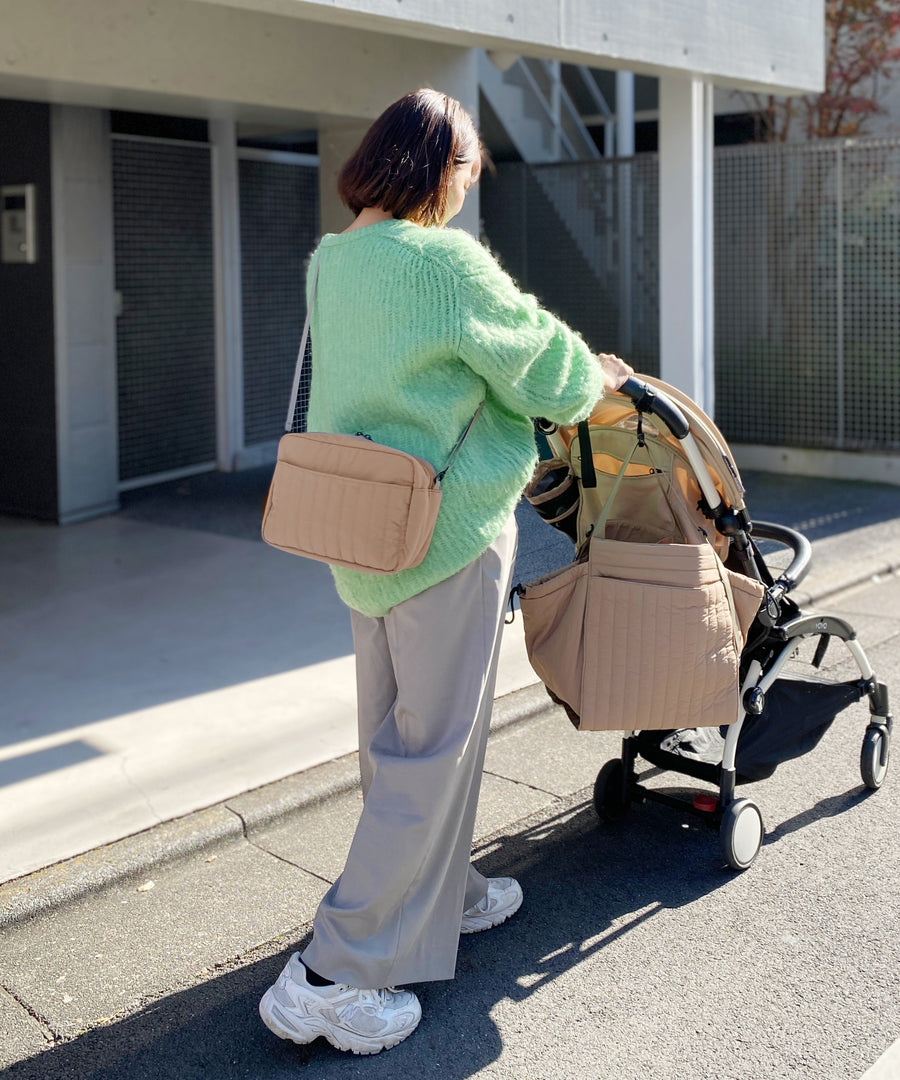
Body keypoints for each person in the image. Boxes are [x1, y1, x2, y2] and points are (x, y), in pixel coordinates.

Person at [259, 88, 633, 1057]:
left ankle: (444, 894)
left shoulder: (335, 259)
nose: (470, 186)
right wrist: (603, 376)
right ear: (434, 164)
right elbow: (550, 377)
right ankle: (334, 975)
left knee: (405, 738)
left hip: (362, 527)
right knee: (430, 749)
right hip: (442, 533)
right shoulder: (444, 263)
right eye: (468, 167)